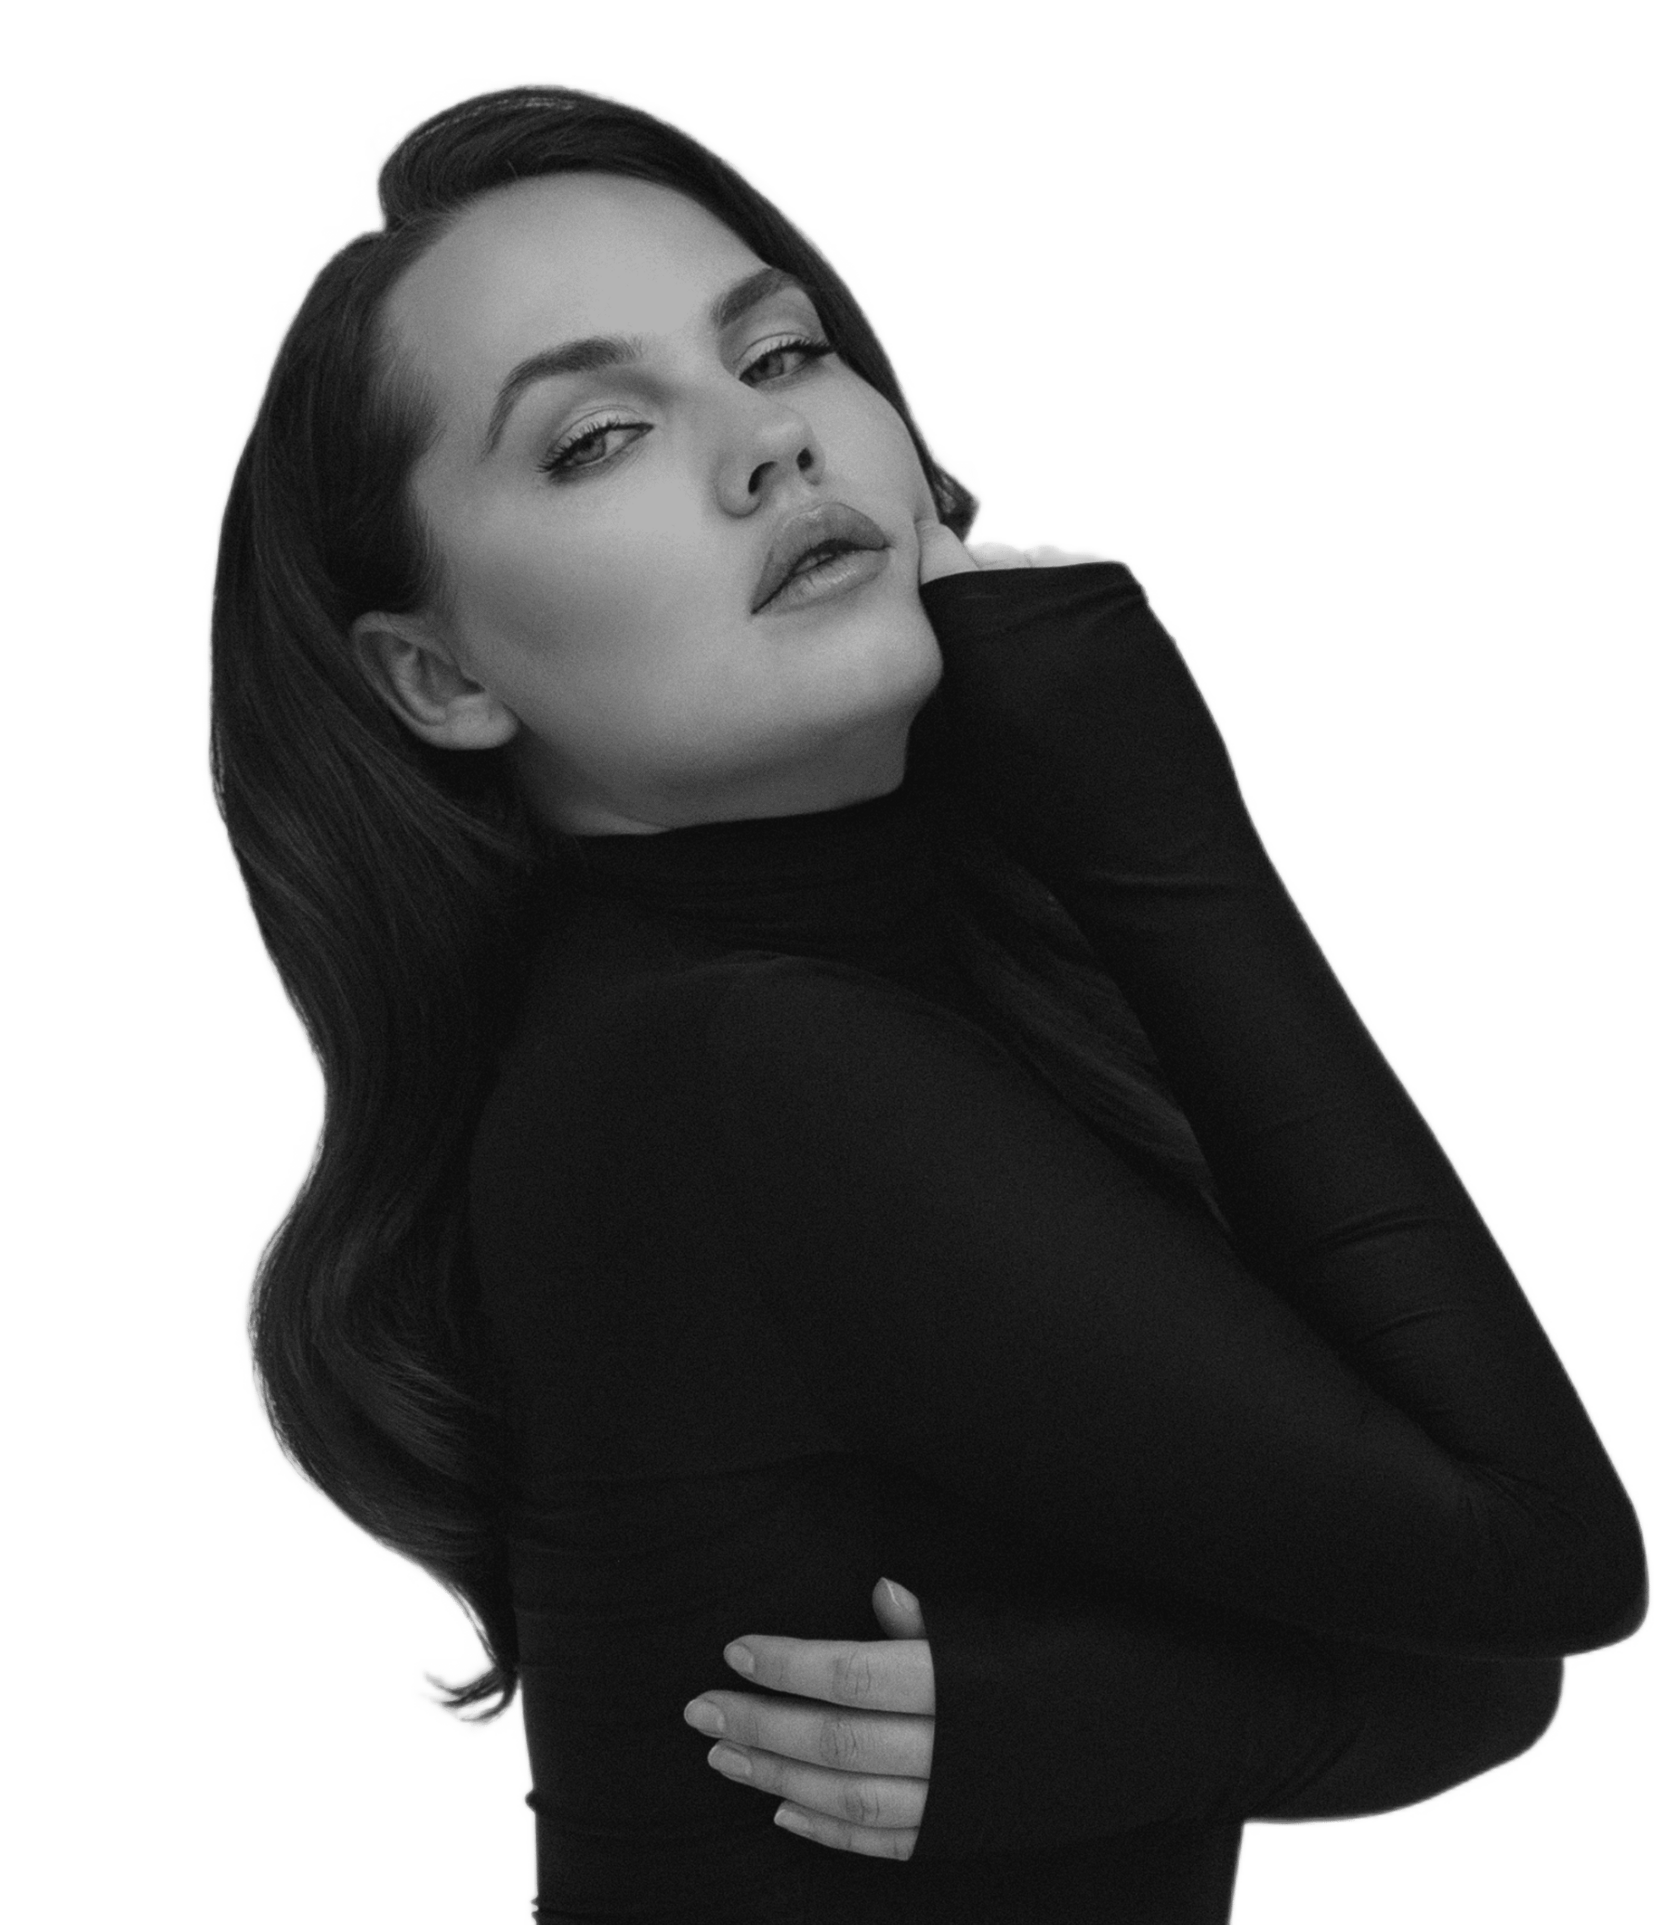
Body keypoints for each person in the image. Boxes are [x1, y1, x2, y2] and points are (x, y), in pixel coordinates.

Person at [211, 80, 1649, 1923]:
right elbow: (1536, 1558)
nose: (769, 447)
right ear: (438, 677)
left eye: (782, 354)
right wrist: (1170, 822)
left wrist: (1169, 1721)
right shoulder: (729, 1071)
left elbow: (1488, 1627)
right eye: (597, 437)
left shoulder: (856, 1005)